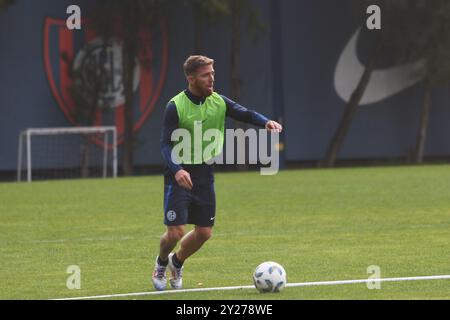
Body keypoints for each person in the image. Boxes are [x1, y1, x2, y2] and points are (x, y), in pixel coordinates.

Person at [152, 55, 282, 291]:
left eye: (212, 73)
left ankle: (176, 262)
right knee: (175, 233)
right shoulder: (176, 106)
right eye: (205, 75)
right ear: (191, 78)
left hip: (204, 174)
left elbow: (245, 113)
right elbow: (164, 144)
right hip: (178, 173)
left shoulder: (218, 101)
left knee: (204, 233)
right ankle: (161, 263)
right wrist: (178, 170)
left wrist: (266, 122)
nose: (211, 78)